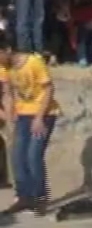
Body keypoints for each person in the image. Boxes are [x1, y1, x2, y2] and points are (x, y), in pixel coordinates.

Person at [0, 33, 59, 216]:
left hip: (45, 113)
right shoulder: (4, 67)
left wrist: (39, 118)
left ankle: (41, 198)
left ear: (7, 50)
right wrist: (10, 116)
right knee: (17, 156)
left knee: (33, 156)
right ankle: (24, 197)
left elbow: (49, 89)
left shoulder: (34, 62)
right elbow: (7, 92)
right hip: (23, 114)